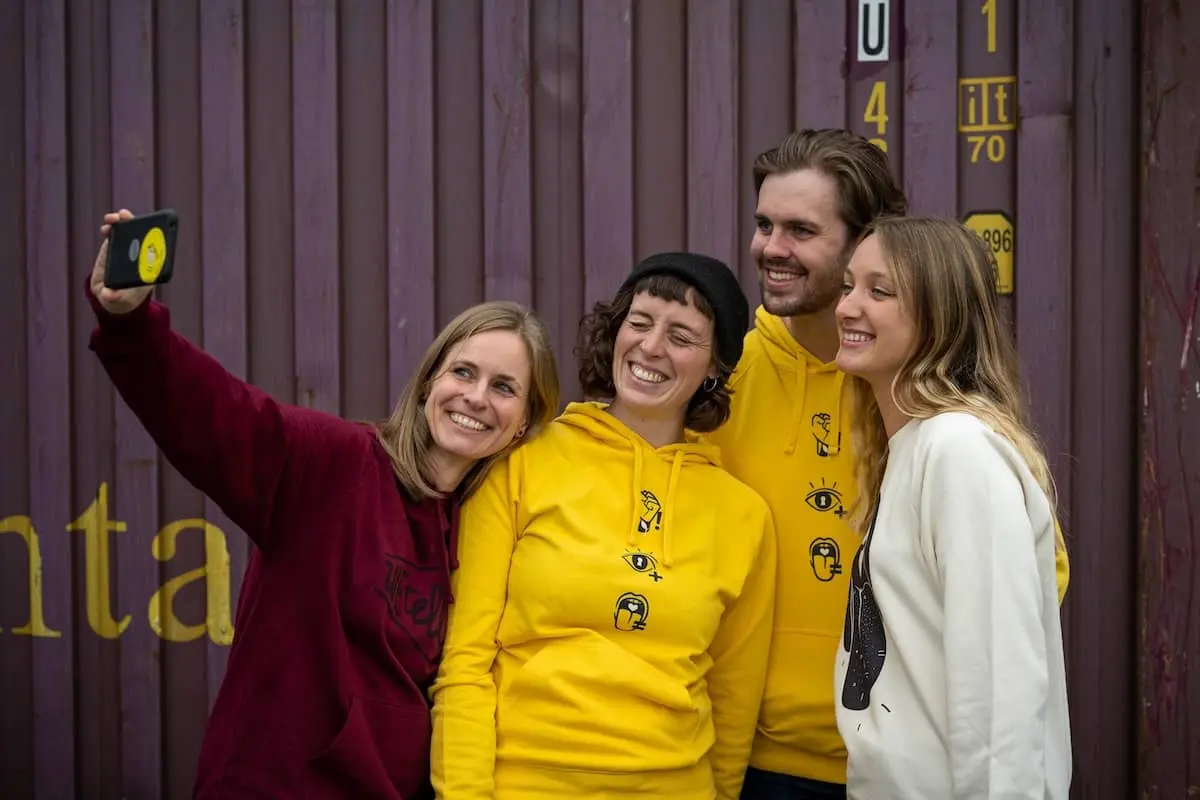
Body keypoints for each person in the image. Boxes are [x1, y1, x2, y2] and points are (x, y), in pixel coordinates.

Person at [86, 209, 561, 799]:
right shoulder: (338, 466)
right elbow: (214, 414)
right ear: (429, 383)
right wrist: (132, 323)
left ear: (524, 424)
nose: (476, 397)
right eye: (462, 371)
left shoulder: (486, 528)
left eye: (504, 387)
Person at [703, 129, 1071, 800]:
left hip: (907, 768)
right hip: (759, 765)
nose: (770, 248)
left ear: (867, 238)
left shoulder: (947, 441)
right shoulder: (725, 378)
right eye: (763, 224)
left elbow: (1012, 629)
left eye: (801, 229)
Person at [429, 253, 778, 799]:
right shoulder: (522, 463)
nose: (651, 347)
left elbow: (734, 702)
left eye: (682, 336)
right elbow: (466, 662)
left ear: (715, 367)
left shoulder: (743, 515)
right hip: (525, 783)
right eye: (639, 323)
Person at [833, 215, 1072, 798]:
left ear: (940, 317)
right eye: (848, 285)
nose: (846, 307)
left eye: (879, 290)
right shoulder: (909, 451)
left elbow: (999, 690)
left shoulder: (958, 452)